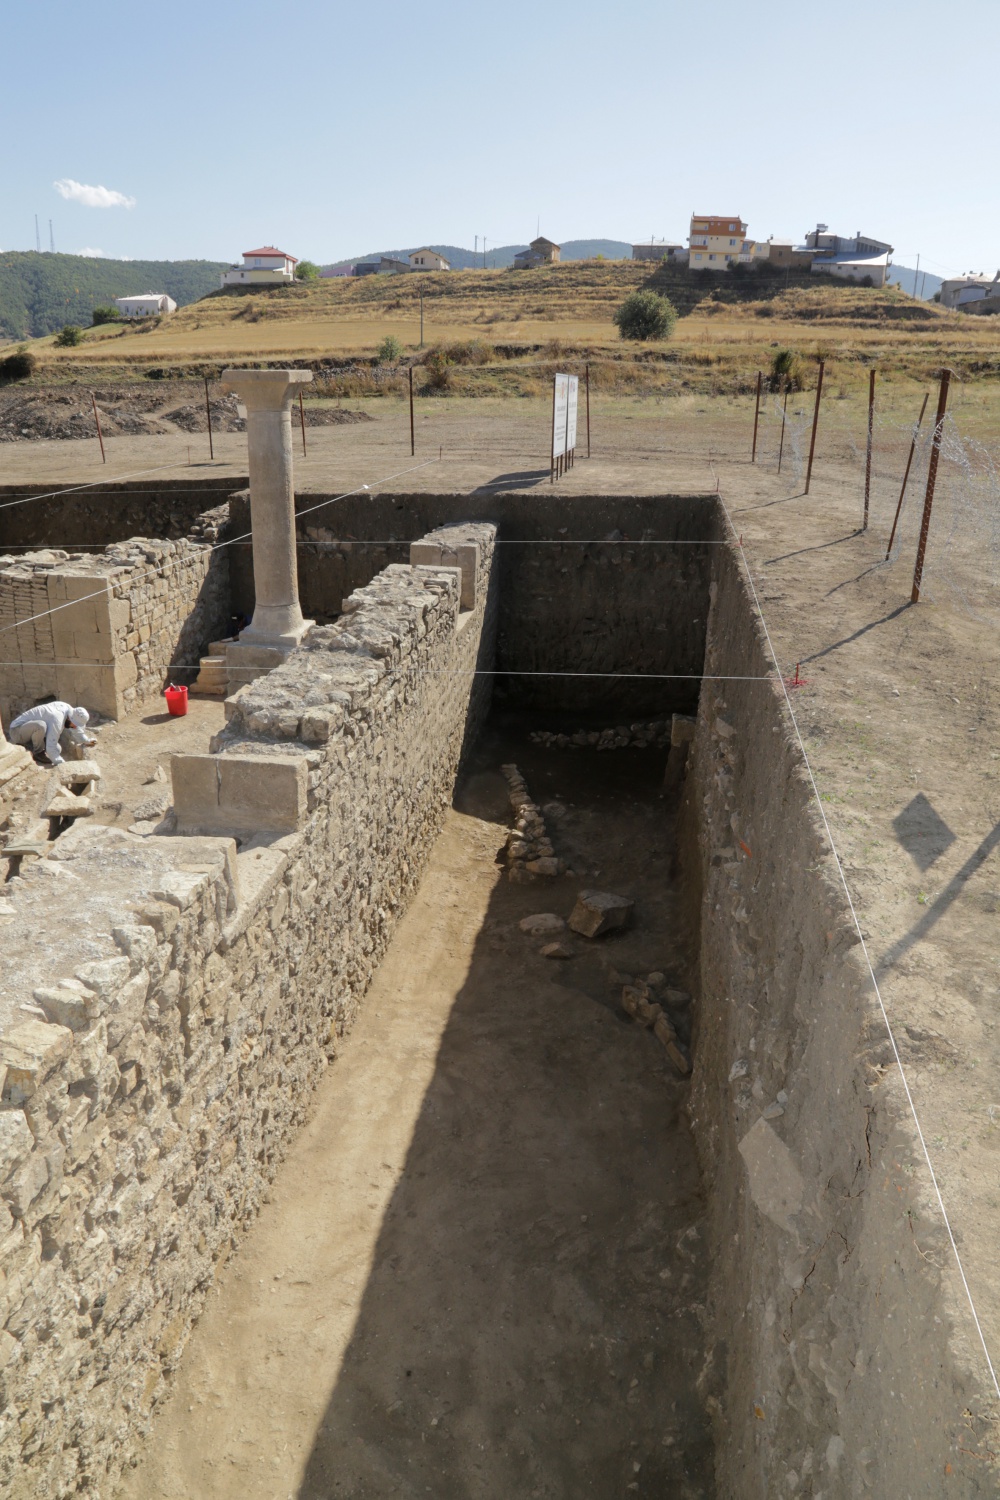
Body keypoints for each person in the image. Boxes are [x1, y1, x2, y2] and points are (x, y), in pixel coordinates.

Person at [7, 702, 96, 766]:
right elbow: (51, 746)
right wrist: (61, 764)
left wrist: (87, 740)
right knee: (41, 726)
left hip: (30, 731)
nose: (75, 727)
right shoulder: (57, 719)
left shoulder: (69, 710)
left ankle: (30, 745)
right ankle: (38, 753)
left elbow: (76, 729)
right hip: (17, 731)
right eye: (75, 724)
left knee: (58, 749)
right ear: (71, 719)